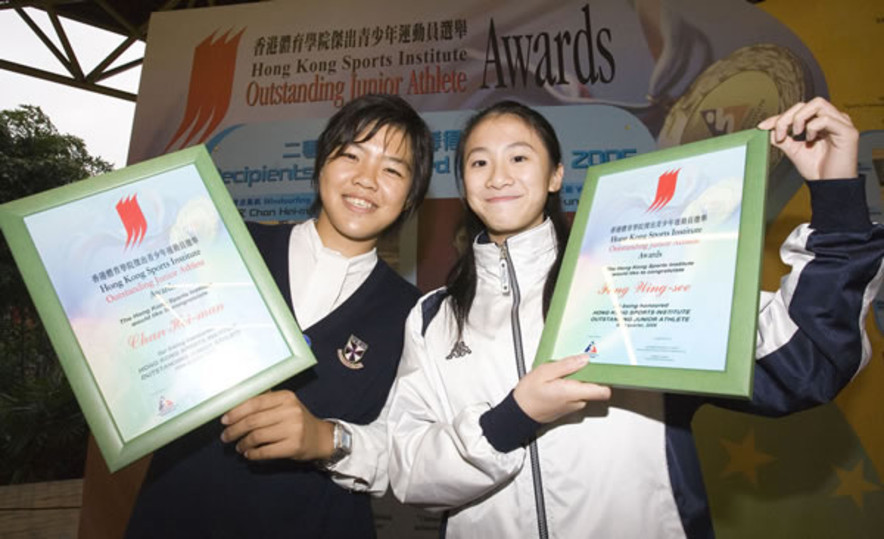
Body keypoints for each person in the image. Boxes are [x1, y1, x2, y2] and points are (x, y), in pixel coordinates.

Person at [385, 97, 884, 538]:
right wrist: (511, 420)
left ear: (556, 173)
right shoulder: (433, 318)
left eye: (519, 157)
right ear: (464, 182)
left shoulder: (630, 277)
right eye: (479, 162)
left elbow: (804, 360)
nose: (499, 176)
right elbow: (410, 472)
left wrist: (836, 196)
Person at [126, 93, 433, 538]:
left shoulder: (414, 315)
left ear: (409, 197)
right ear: (320, 166)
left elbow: (406, 454)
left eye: (392, 169)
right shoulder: (225, 249)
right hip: (179, 511)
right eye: (351, 155)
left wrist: (325, 440)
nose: (367, 179)